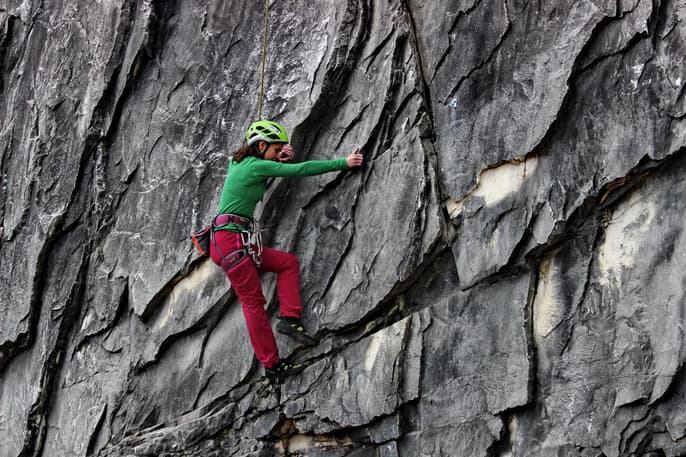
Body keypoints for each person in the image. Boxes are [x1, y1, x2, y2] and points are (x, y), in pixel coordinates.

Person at [210, 120, 363, 380]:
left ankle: (289, 320)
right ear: (260, 145)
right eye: (275, 148)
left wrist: (277, 158)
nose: (278, 152)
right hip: (231, 243)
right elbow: (301, 169)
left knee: (286, 263)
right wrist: (342, 163)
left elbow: (259, 171)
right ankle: (273, 366)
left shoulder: (241, 163)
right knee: (253, 303)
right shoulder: (256, 165)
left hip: (232, 243)